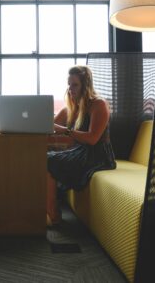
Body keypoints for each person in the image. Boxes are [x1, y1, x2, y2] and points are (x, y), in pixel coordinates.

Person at [47, 65, 116, 225]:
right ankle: (49, 209)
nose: (70, 88)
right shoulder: (71, 107)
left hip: (98, 155)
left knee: (48, 160)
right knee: (44, 158)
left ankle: (53, 213)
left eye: (75, 84)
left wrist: (64, 130)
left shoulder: (99, 104)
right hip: (79, 152)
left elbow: (92, 139)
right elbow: (49, 127)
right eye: (69, 84)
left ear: (86, 85)